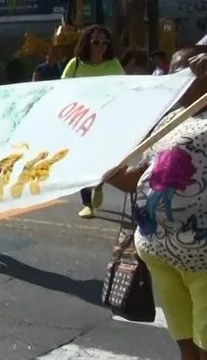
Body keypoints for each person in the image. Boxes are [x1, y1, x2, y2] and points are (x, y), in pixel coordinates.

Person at [103, 46, 207, 360]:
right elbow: (136, 177)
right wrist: (102, 169)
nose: (175, 80)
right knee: (183, 332)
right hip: (159, 250)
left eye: (187, 71)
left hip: (202, 257)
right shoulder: (169, 120)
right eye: (170, 72)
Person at [63, 25, 126, 218]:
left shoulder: (114, 64)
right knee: (82, 161)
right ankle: (86, 203)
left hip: (105, 121)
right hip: (79, 121)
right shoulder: (75, 64)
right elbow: (62, 89)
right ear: (87, 43)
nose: (101, 46)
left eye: (105, 42)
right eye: (96, 42)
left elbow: (124, 89)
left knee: (101, 159)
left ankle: (98, 184)